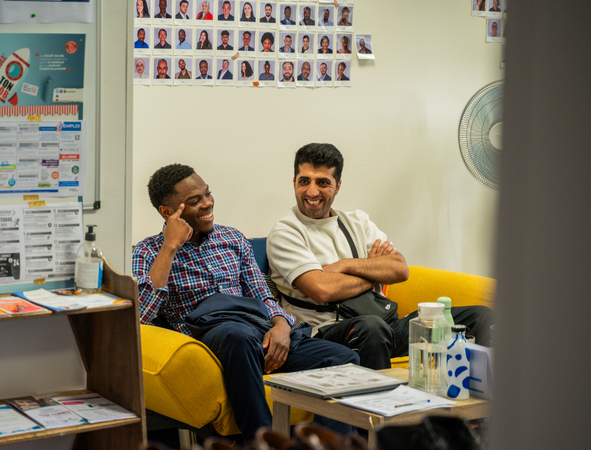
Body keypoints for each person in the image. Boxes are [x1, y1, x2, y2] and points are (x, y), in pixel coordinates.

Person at [134, 164, 359, 441]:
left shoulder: (232, 238)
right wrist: (170, 247)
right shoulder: (147, 251)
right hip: (210, 335)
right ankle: (263, 443)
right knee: (236, 336)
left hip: (256, 328)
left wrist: (281, 326)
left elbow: (262, 293)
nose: (207, 204)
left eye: (208, 194)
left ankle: (326, 446)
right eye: (194, 201)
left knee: (344, 359)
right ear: (167, 212)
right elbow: (142, 314)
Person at [267, 144, 496, 371]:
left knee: (481, 317)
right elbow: (322, 290)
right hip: (328, 332)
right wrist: (373, 273)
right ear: (294, 183)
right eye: (304, 181)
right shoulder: (285, 232)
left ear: (337, 187)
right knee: (372, 327)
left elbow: (399, 269)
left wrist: (342, 266)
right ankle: (378, 407)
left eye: (323, 182)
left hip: (387, 323)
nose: (312, 191)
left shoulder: (358, 221)